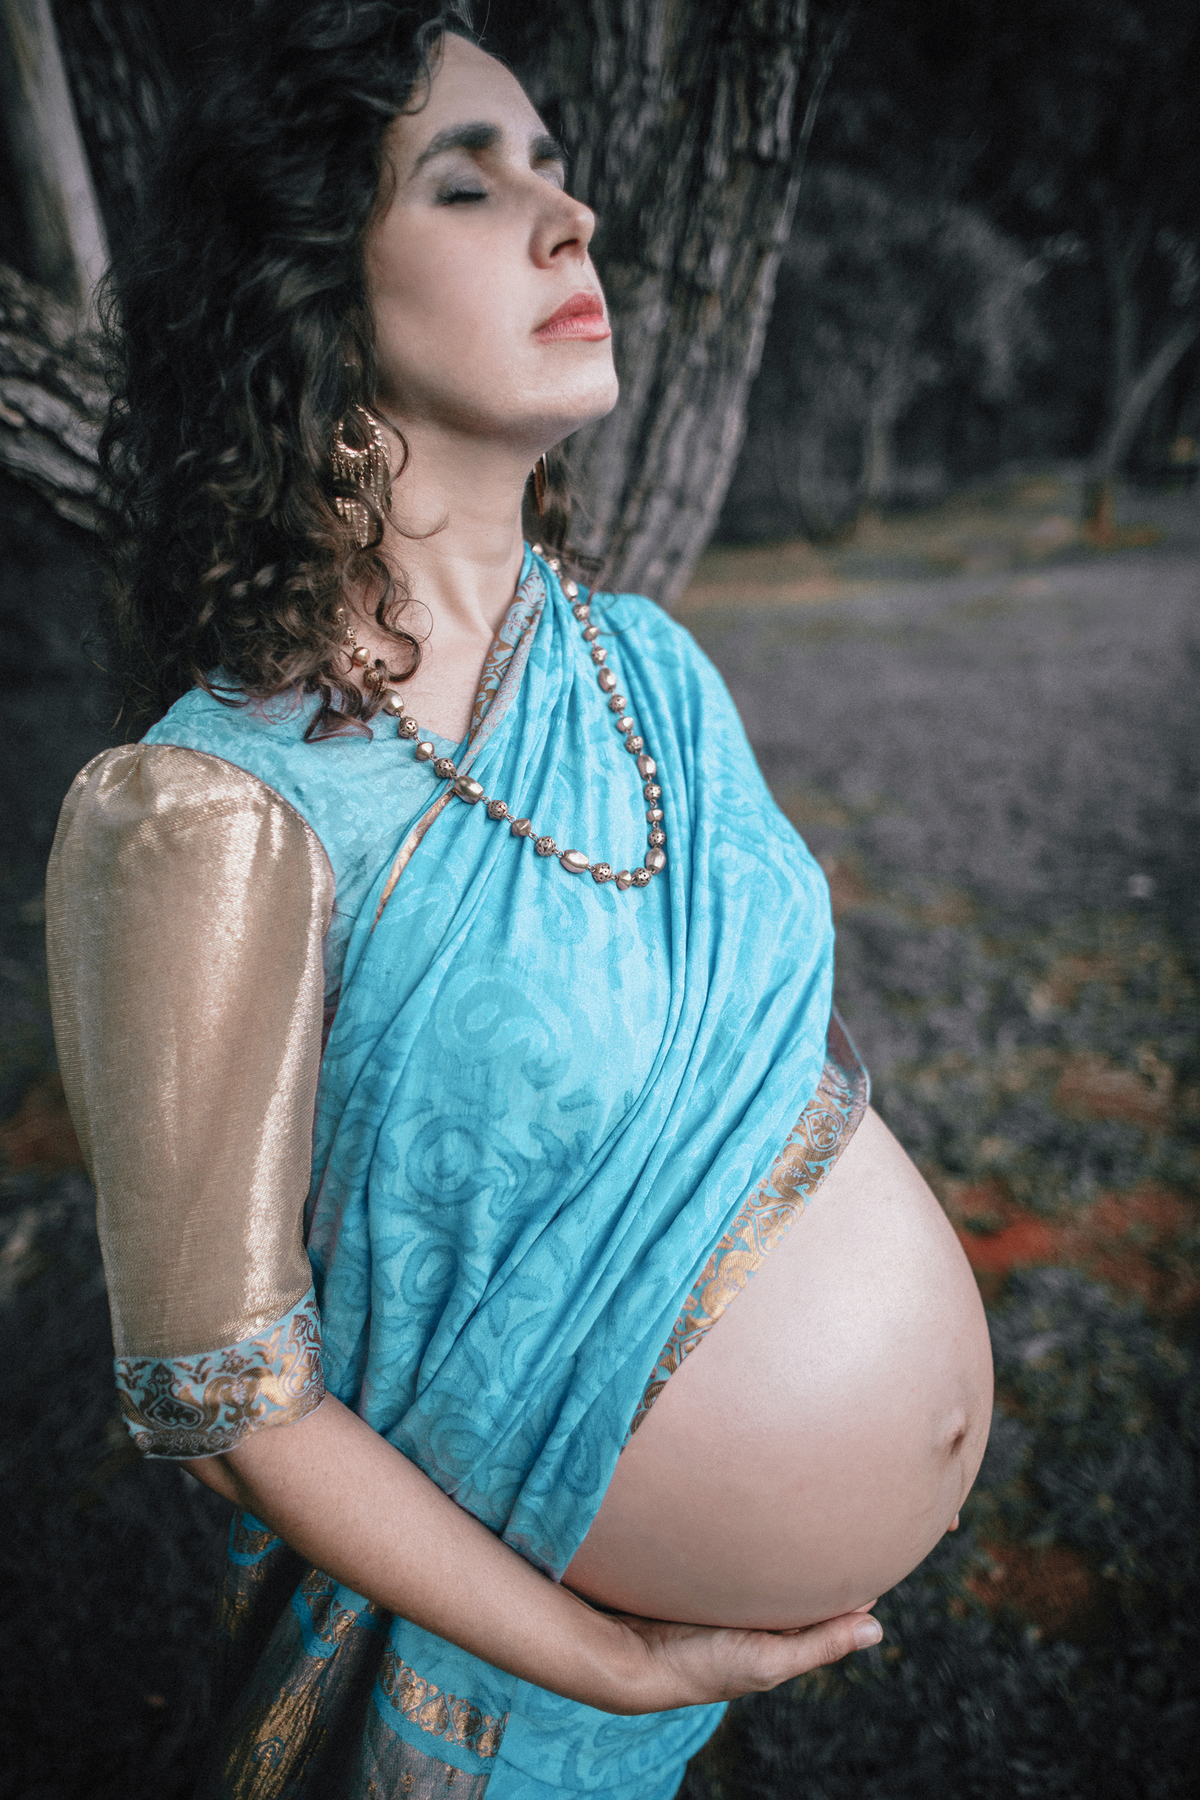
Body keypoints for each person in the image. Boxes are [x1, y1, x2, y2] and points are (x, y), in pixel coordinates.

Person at [45, 5, 994, 1796]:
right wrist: (603, 1662)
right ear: (312, 293)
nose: (572, 226)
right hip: (496, 1672)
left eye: (559, 176)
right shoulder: (205, 808)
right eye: (469, 187)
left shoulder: (638, 665)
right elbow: (226, 1396)